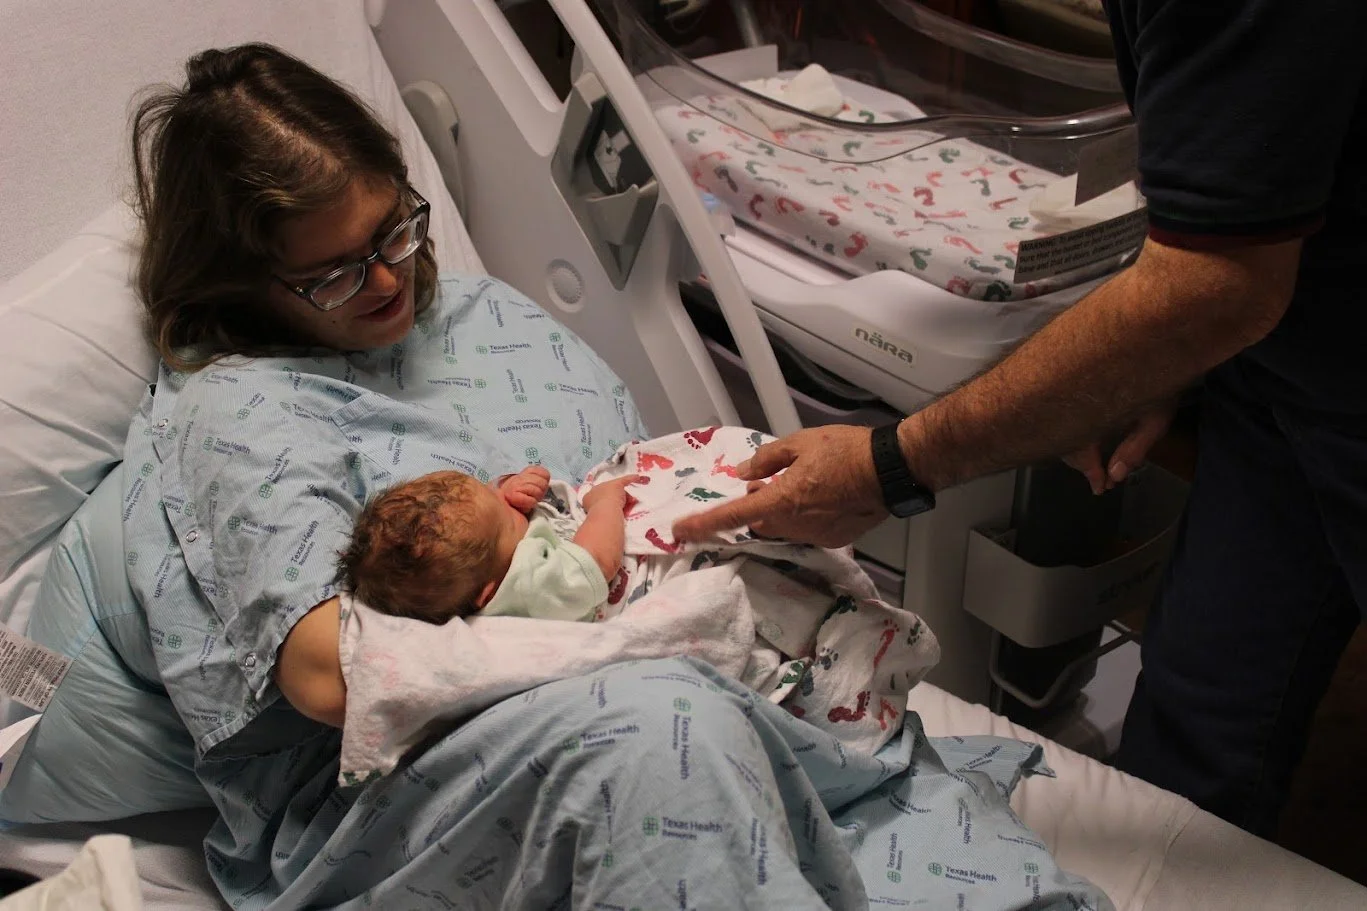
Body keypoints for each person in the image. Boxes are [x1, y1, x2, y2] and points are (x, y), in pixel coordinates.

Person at [121, 43, 1115, 911]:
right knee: (663, 729)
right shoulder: (242, 409)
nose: (386, 279)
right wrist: (596, 633)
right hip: (402, 792)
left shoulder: (483, 317)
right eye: (335, 272)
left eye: (393, 231)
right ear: (242, 281)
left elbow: (640, 492)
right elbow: (325, 673)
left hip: (701, 684)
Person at [675, 1, 1367, 838]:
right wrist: (1162, 355)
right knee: (1206, 694)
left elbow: (1219, 283)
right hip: (1295, 333)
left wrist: (888, 466)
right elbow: (1241, 195)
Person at [339, 466, 637, 622]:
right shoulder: (525, 587)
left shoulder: (487, 562)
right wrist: (605, 503)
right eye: (508, 516)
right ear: (490, 592)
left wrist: (508, 486)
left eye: (489, 490)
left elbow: (486, 507)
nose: (504, 500)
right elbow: (596, 562)